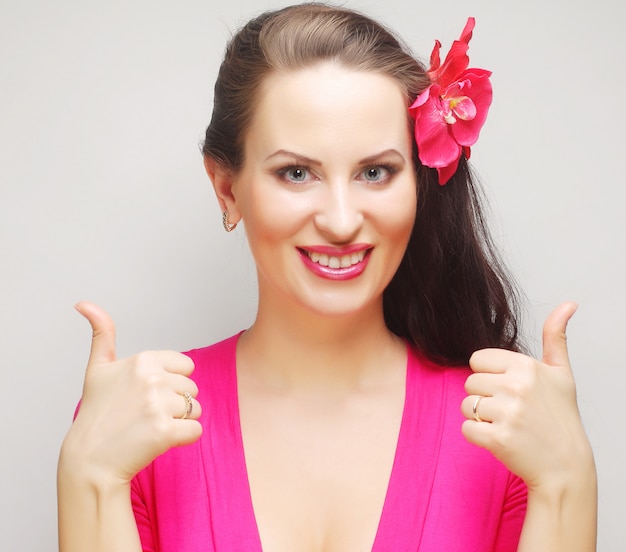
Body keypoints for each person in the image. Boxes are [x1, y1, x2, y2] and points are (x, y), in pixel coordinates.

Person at [57, 3, 597, 551]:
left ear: (419, 182)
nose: (341, 221)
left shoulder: (508, 429)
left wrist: (565, 482)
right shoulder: (134, 422)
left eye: (375, 172)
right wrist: (91, 477)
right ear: (227, 188)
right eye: (296, 173)